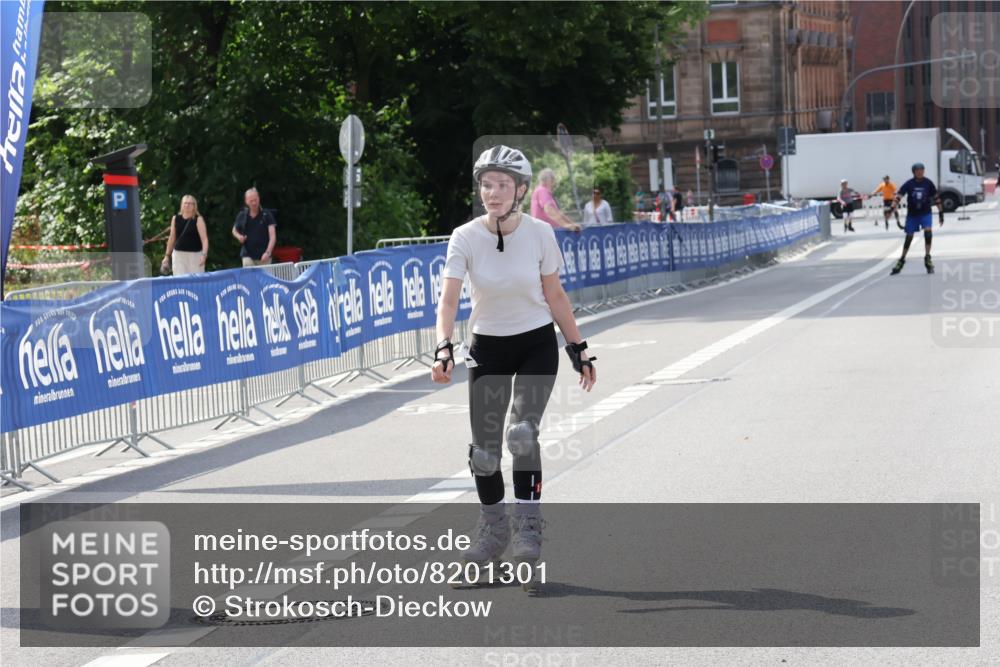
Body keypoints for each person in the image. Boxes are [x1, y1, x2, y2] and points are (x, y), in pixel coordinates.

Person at [433, 145, 596, 587]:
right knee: (484, 455)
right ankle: (492, 531)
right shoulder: (464, 236)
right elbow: (449, 298)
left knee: (521, 434)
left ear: (521, 190)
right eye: (487, 184)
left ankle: (527, 527)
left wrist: (577, 347)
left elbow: (555, 294)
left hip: (535, 345)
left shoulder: (541, 234)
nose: (494, 192)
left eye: (503, 185)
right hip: (486, 347)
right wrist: (442, 346)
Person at [890, 162, 943, 275]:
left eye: (922, 170)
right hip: (913, 215)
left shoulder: (928, 183)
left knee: (928, 233)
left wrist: (941, 212)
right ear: (914, 172)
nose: (920, 172)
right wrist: (893, 205)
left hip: (925, 213)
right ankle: (902, 260)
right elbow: (899, 195)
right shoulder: (909, 184)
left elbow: (936, 198)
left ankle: (927, 258)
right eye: (918, 171)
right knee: (909, 237)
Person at [161, 195, 208, 276]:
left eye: (190, 203)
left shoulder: (198, 219)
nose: (187, 205)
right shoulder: (175, 219)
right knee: (180, 282)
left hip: (195, 255)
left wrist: (204, 255)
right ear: (182, 205)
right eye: (185, 203)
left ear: (194, 206)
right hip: (178, 255)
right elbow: (172, 238)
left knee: (196, 282)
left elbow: (204, 239)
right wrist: (167, 255)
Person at [232, 187, 276, 266]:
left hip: (264, 256)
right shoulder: (242, 215)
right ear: (246, 201)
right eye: (251, 201)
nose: (254, 203)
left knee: (264, 278)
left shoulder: (267, 215)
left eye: (255, 200)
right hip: (247, 254)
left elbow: (272, 236)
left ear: (259, 199)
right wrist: (239, 237)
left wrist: (268, 252)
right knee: (248, 273)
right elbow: (234, 230)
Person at [530, 168, 582, 232]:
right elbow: (549, 210)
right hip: (544, 232)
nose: (555, 182)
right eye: (553, 179)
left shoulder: (544, 192)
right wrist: (566, 225)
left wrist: (571, 224)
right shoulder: (542, 191)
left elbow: (558, 213)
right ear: (549, 180)